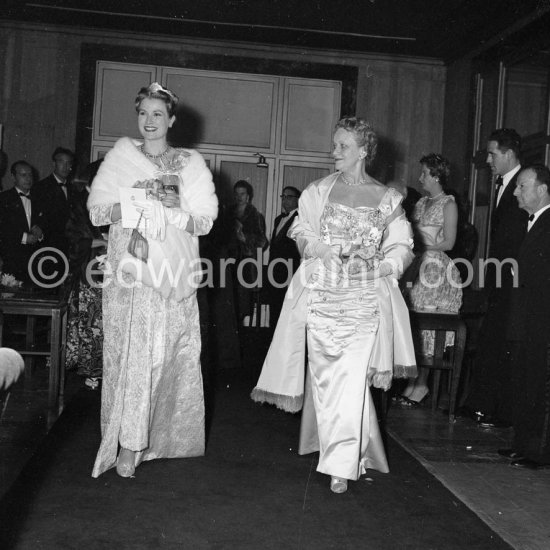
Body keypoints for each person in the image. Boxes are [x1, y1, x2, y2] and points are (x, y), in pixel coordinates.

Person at [252, 117, 416, 493]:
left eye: (343, 146)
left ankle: (340, 464)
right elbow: (301, 231)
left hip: (363, 301)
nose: (334, 152)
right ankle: (348, 450)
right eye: (334, 145)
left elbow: (402, 247)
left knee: (352, 377)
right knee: (328, 378)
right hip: (322, 298)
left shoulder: (387, 197)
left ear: (363, 151)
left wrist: (377, 266)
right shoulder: (318, 191)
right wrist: (321, 249)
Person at [87, 82, 218, 478]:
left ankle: (149, 439)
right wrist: (133, 204)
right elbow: (96, 213)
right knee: (129, 354)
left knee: (159, 354)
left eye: (157, 114)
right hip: (127, 270)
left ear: (171, 120)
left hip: (169, 269)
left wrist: (175, 214)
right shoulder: (121, 156)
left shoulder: (190, 162)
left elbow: (205, 221)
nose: (149, 121)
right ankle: (126, 441)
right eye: (143, 113)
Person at [462, 128, 528, 427]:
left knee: (502, 340)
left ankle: (492, 407)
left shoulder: (524, 183)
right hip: (499, 274)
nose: (488, 160)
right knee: (493, 337)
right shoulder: (503, 182)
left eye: (493, 154)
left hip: (512, 276)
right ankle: (483, 404)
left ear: (509, 154)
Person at [398, 154, 463, 405]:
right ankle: (414, 381)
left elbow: (450, 241)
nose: (420, 177)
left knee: (427, 325)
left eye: (424, 173)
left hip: (436, 267)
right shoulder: (421, 202)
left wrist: (425, 246)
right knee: (413, 322)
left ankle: (422, 384)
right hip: (417, 264)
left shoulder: (449, 203)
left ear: (436, 175)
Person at [498, 165, 550, 469]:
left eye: (522, 186)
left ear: (542, 190)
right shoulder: (531, 222)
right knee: (524, 382)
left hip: (540, 320)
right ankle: (523, 445)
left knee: (539, 385)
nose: (516, 192)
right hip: (526, 319)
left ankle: (538, 450)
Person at [65, 159, 108, 390]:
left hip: (114, 273)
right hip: (89, 271)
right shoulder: (79, 206)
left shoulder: (114, 204)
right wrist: (98, 241)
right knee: (91, 324)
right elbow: (72, 239)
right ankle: (92, 371)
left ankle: (109, 370)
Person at [226, 180, 267, 323]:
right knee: (226, 304)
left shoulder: (256, 216)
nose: (239, 197)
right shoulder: (226, 214)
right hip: (227, 263)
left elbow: (262, 242)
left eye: (242, 194)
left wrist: (244, 238)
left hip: (245, 265)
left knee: (242, 304)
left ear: (248, 196)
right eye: (236, 194)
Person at [0, 161, 46, 283]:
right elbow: (3, 228)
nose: (28, 179)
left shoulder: (40, 199)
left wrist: (40, 234)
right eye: (23, 175)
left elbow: (46, 224)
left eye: (30, 175)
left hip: (35, 261)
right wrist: (25, 238)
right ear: (13, 177)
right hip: (11, 259)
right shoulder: (4, 199)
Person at [267, 186, 301, 325]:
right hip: (275, 270)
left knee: (287, 307)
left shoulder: (300, 218)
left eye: (289, 197)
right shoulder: (278, 219)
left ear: (297, 200)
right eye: (283, 196)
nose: (285, 200)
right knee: (274, 305)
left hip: (290, 270)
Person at [35, 147, 74, 257]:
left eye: (69, 163)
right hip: (48, 246)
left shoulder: (74, 189)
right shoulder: (41, 187)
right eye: (61, 162)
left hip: (70, 246)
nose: (65, 167)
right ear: (54, 163)